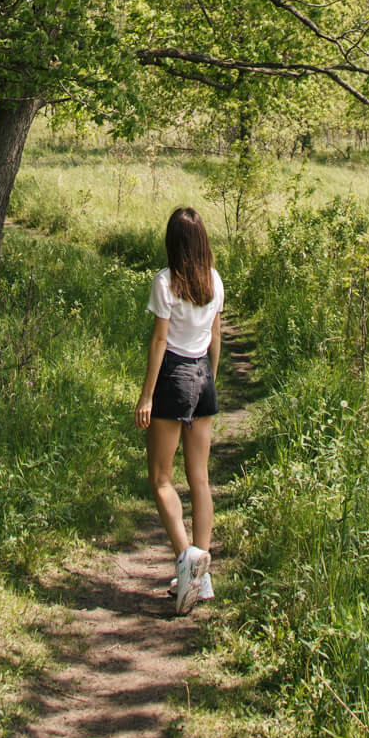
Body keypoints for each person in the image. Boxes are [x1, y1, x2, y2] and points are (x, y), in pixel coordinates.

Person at [134, 205, 224, 615]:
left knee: (160, 479)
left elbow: (158, 343)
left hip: (173, 376)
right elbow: (215, 337)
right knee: (200, 479)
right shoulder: (215, 281)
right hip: (203, 376)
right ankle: (202, 576)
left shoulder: (166, 282)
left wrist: (147, 396)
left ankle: (187, 559)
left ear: (173, 242)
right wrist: (211, 379)